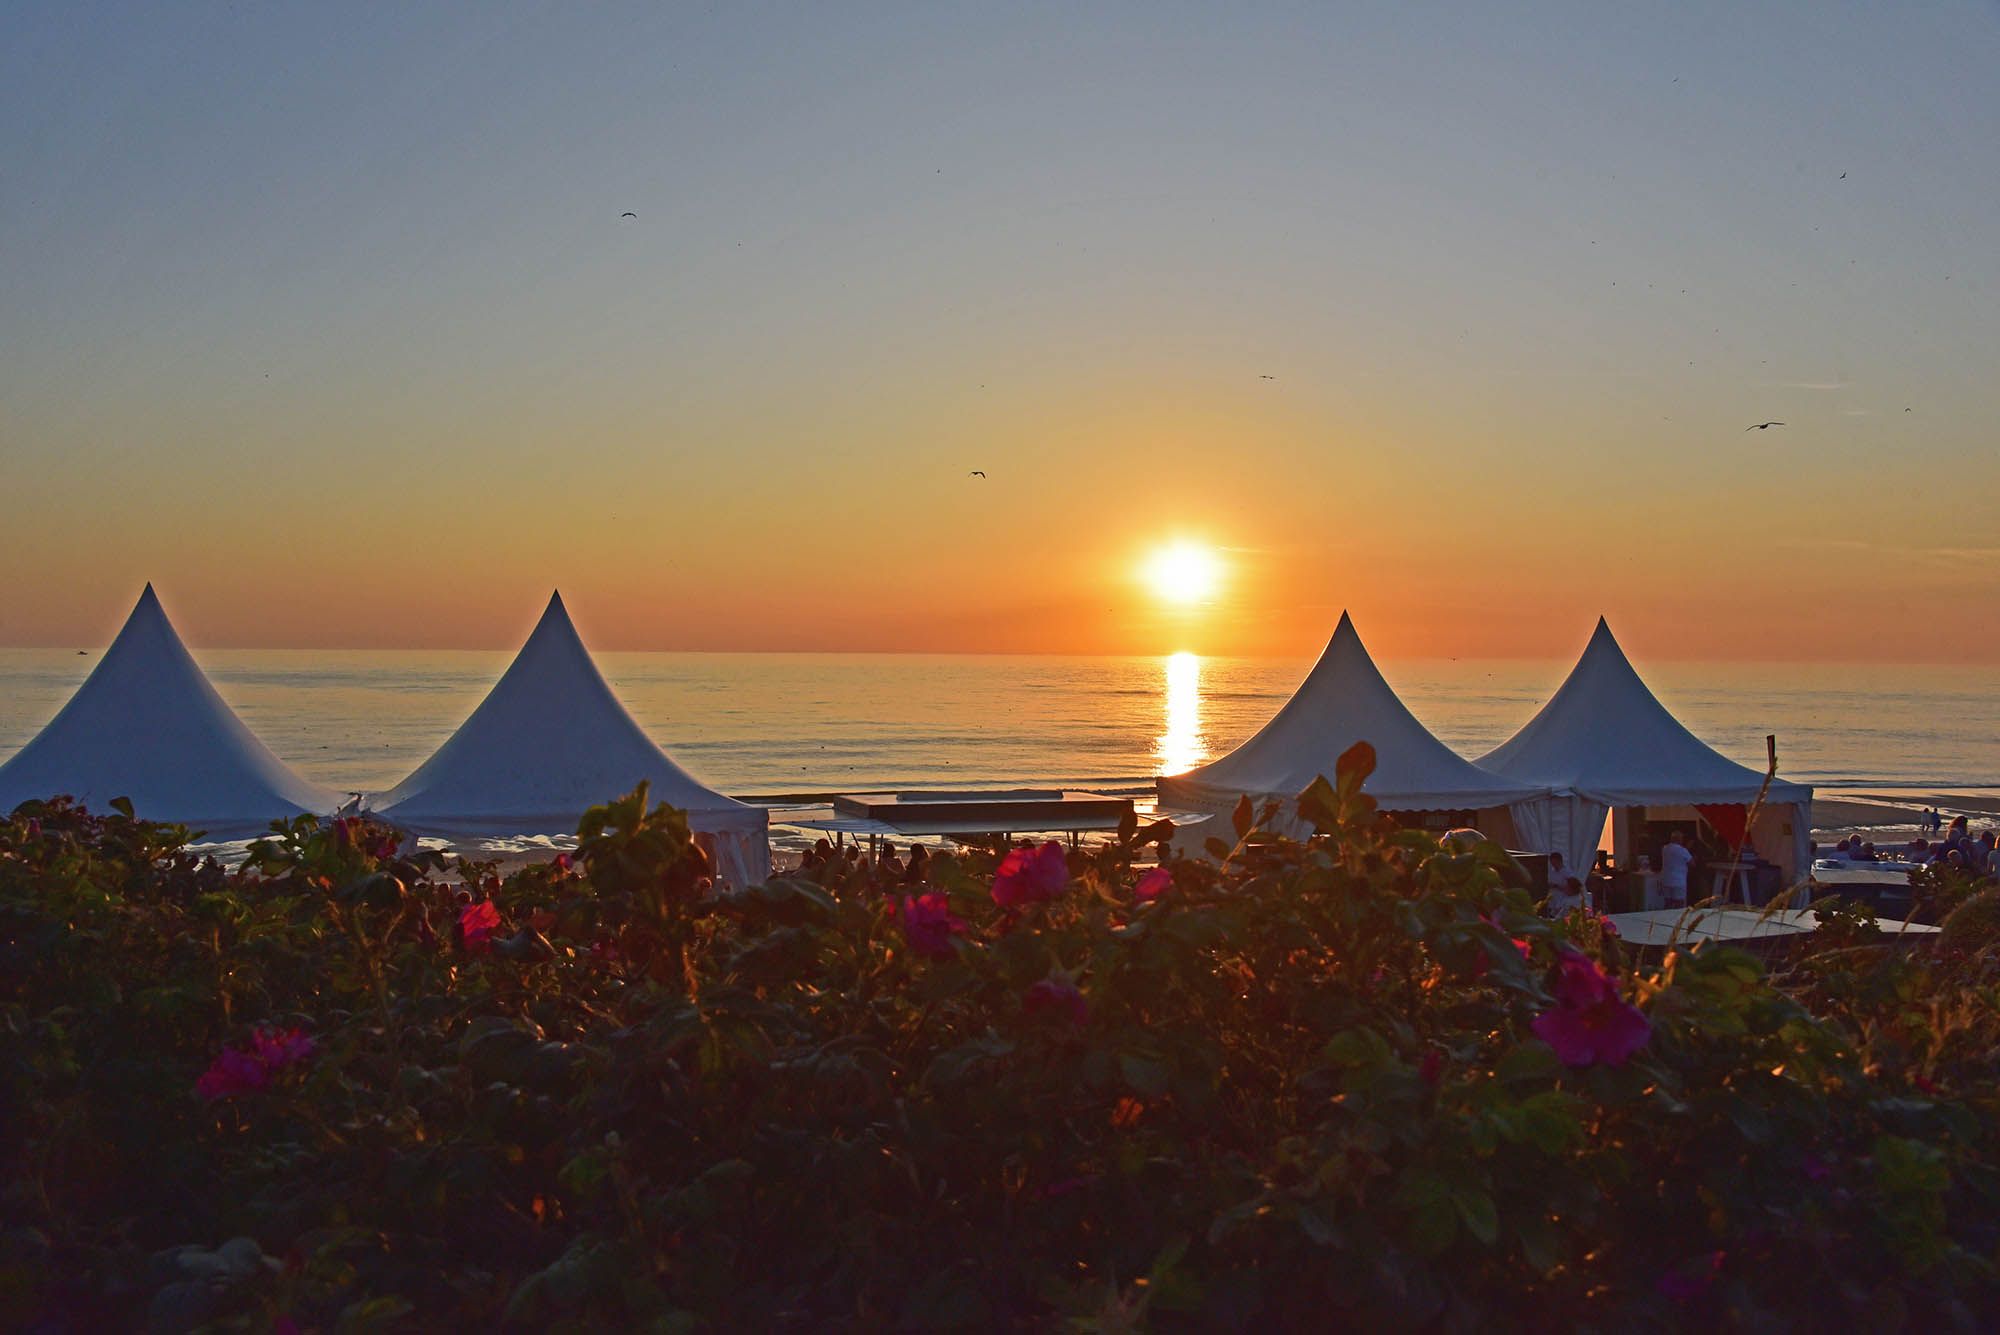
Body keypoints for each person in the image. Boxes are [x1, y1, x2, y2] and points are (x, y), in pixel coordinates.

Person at [1659, 831, 1694, 909]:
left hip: (1666, 880)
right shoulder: (1683, 850)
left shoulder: (1665, 848)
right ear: (1679, 839)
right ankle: (1678, 920)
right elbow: (1692, 863)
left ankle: (1666, 919)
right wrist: (1688, 848)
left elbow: (1676, 855)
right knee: (1679, 904)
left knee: (1667, 903)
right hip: (1678, 881)